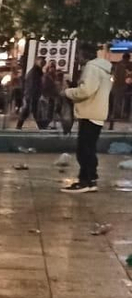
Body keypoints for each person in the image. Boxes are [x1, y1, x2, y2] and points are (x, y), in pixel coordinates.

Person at [63, 42, 114, 193]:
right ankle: (89, 178)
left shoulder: (92, 68)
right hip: (97, 112)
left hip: (90, 113)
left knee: (84, 149)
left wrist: (68, 92)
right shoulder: (104, 69)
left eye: (78, 54)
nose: (77, 58)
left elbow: (86, 90)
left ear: (85, 54)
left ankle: (86, 181)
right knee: (89, 148)